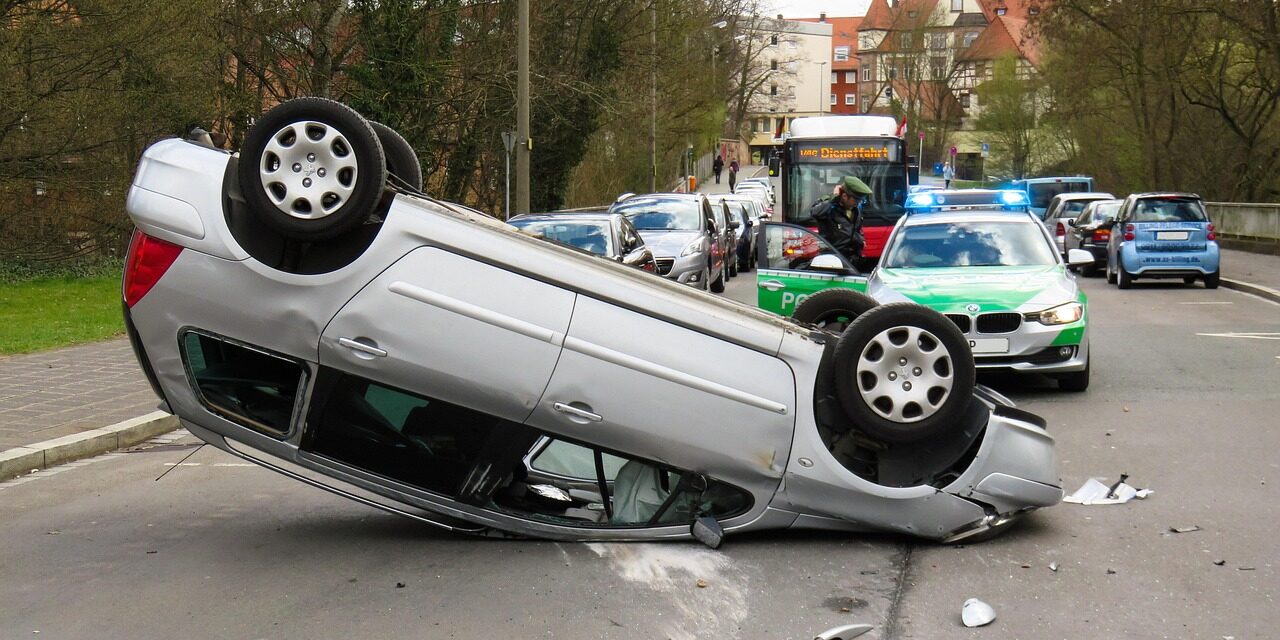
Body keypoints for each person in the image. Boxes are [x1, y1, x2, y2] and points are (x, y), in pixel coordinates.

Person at [809, 175, 873, 262]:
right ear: (844, 196)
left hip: (853, 257)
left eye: (860, 201)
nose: (857, 204)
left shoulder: (856, 208)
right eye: (856, 201)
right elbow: (815, 213)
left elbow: (857, 228)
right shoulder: (829, 205)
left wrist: (861, 240)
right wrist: (833, 199)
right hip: (833, 258)